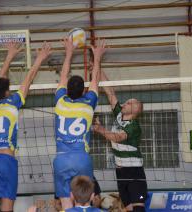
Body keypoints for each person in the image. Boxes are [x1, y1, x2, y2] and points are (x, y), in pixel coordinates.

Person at [0, 41, 52, 212]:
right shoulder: (12, 104)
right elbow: (30, 77)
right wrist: (40, 58)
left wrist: (9, 56)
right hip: (6, 159)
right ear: (6, 93)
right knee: (6, 206)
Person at [53, 37, 106, 210]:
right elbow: (95, 80)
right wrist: (97, 58)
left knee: (67, 205)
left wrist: (69, 52)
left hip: (61, 158)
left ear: (66, 89)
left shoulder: (60, 101)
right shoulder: (88, 103)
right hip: (82, 159)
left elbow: (63, 75)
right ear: (84, 90)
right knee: (85, 202)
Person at [92, 71, 147, 212]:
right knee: (128, 208)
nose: (125, 103)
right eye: (127, 101)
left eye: (129, 103)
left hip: (134, 172)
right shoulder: (119, 116)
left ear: (135, 111)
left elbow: (118, 138)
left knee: (138, 209)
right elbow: (109, 91)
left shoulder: (134, 126)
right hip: (120, 172)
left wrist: (100, 130)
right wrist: (98, 67)